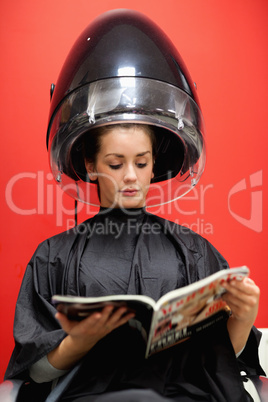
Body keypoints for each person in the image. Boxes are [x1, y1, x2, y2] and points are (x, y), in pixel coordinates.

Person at [4, 9, 265, 402]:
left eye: (141, 163)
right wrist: (80, 341)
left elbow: (223, 361)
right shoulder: (53, 259)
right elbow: (36, 374)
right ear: (89, 165)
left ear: (154, 164)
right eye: (115, 163)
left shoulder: (193, 252)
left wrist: (243, 319)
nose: (130, 176)